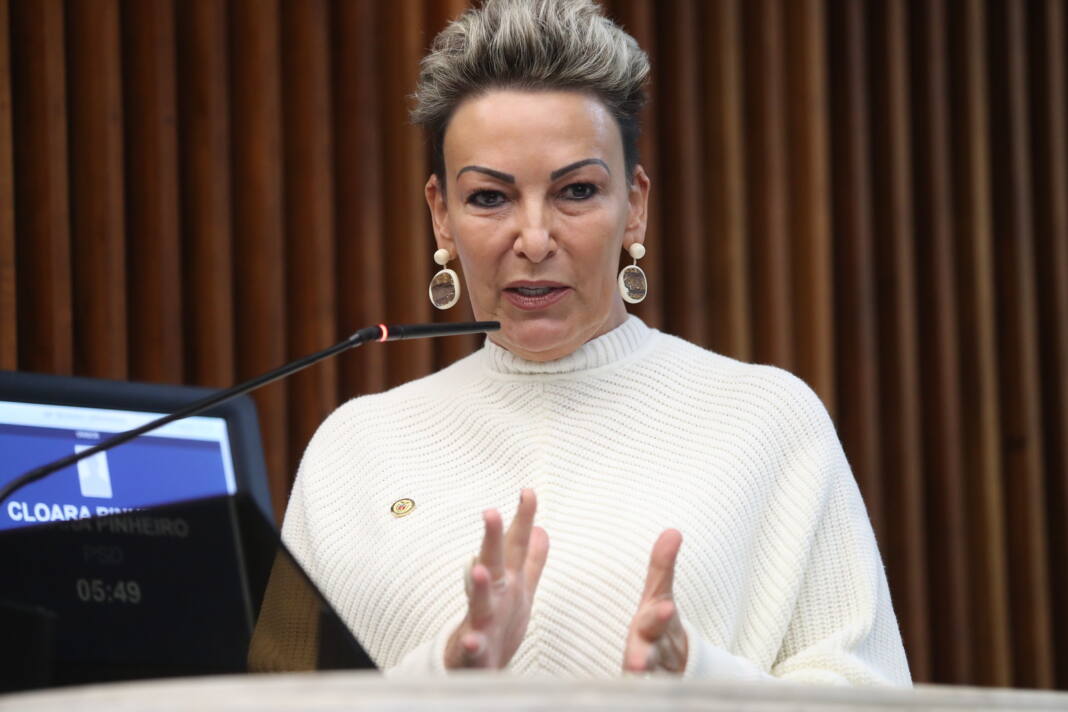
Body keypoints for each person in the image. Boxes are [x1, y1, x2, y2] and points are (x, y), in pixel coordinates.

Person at [281, 0, 911, 684]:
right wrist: (443, 675)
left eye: (576, 191)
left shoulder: (768, 419)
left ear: (634, 204)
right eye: (490, 197)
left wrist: (697, 679)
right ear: (441, 215)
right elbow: (263, 692)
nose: (534, 239)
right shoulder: (353, 449)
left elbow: (870, 691)